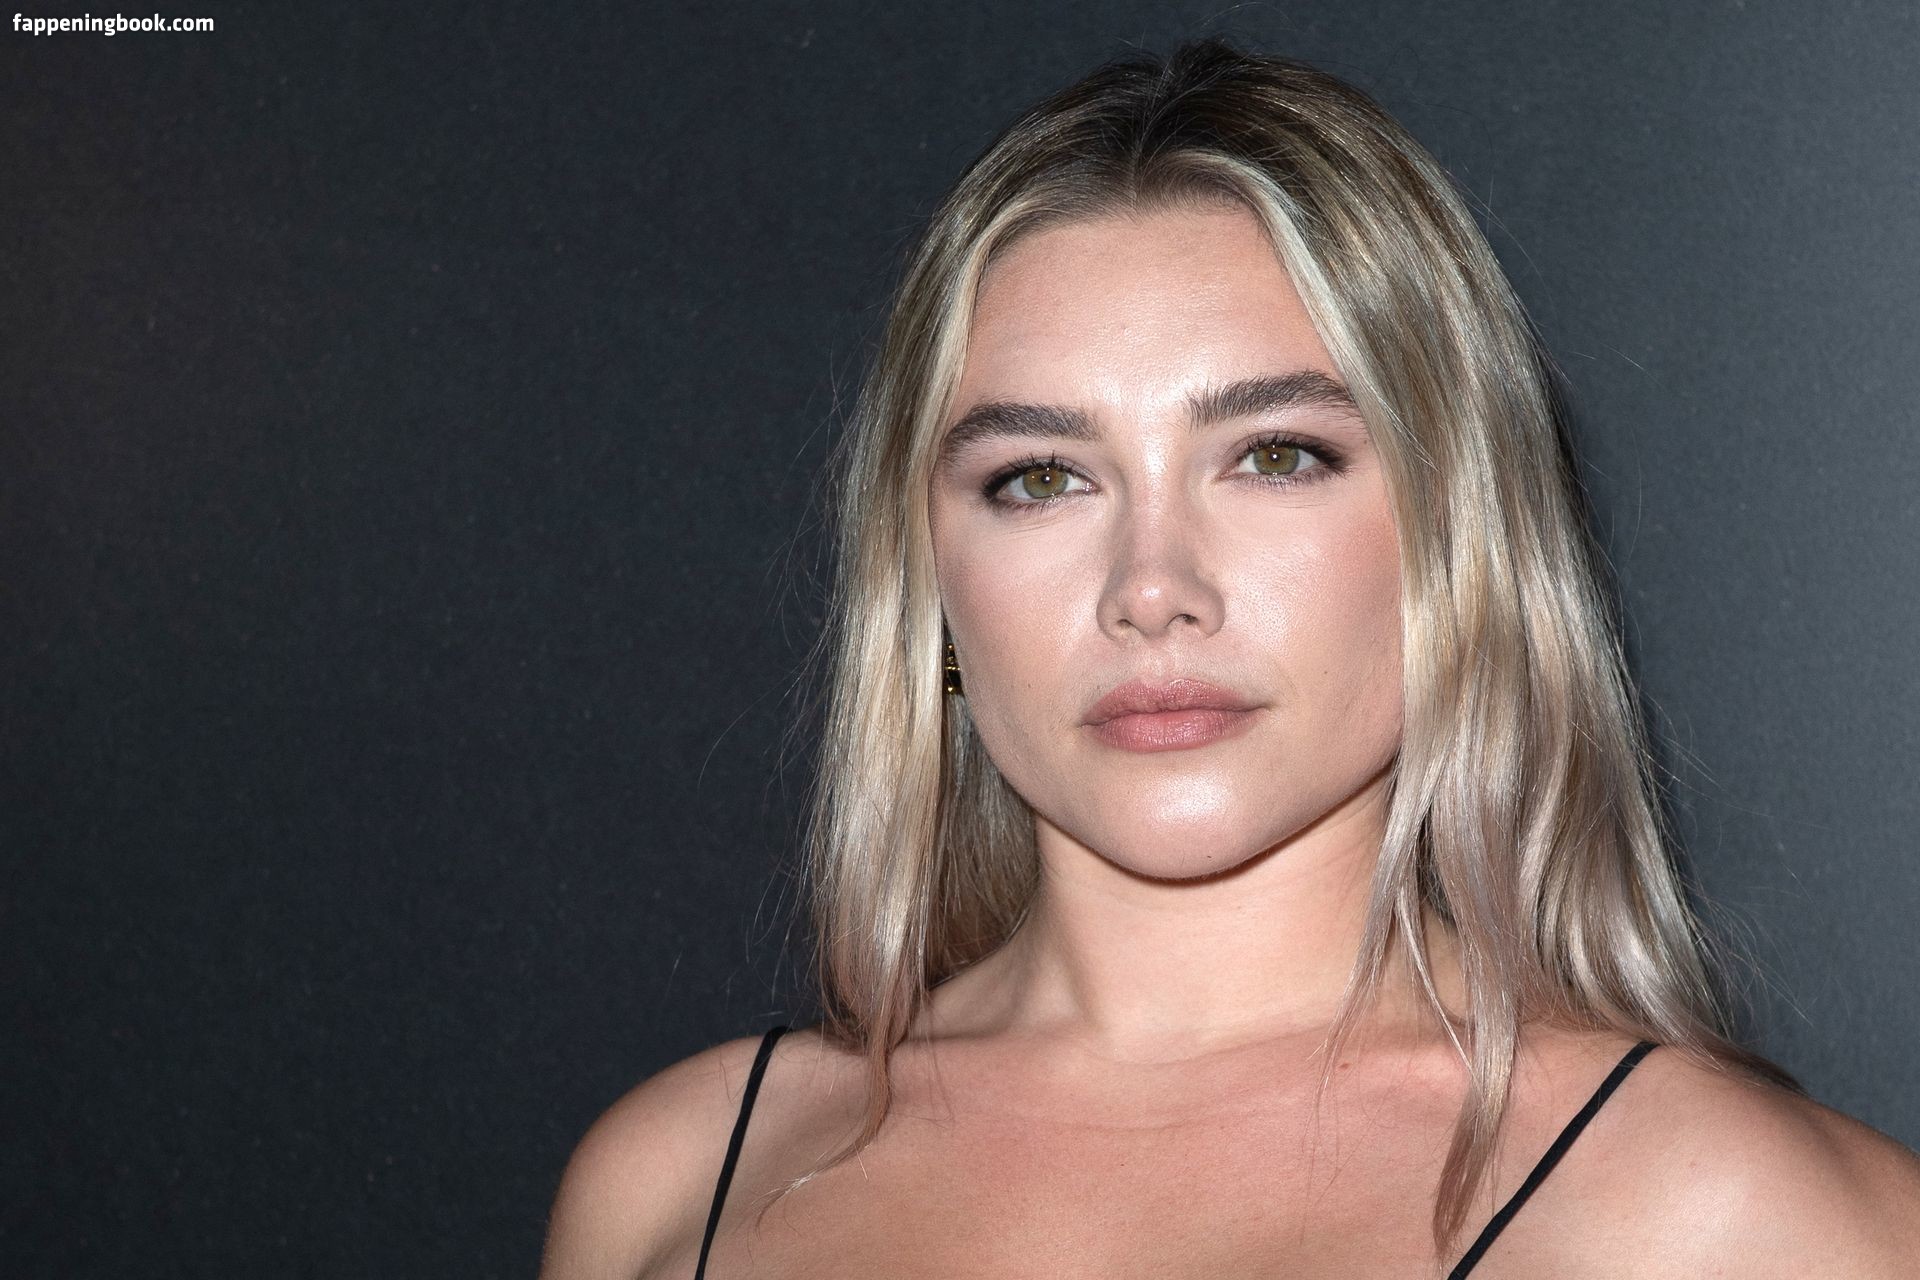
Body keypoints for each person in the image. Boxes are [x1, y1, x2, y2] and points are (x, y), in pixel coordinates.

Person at [539, 38, 1920, 1279]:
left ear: (1460, 540)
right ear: (933, 589)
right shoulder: (679, 1187)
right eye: (1039, 479)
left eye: (1275, 457)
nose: (1152, 590)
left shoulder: (1748, 1222)